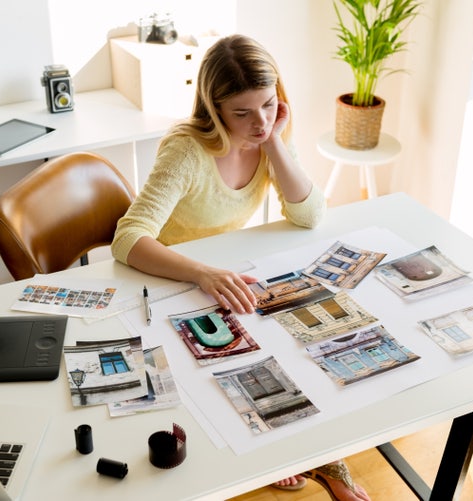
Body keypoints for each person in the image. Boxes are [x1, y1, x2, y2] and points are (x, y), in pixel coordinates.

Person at [111, 34, 370, 501]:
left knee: (298, 340)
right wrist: (202, 273)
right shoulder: (186, 151)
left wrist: (274, 144)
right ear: (214, 109)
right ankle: (300, 454)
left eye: (269, 104)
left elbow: (308, 214)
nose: (260, 121)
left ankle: (319, 453)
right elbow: (127, 239)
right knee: (246, 360)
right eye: (242, 113)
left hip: (224, 276)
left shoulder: (268, 134)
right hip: (171, 279)